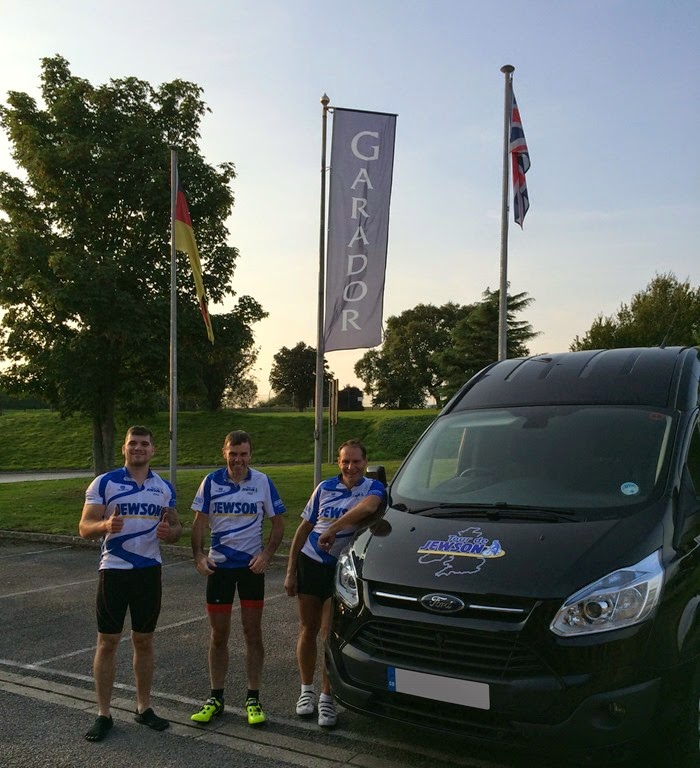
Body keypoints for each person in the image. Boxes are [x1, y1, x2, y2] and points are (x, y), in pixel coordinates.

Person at [79, 425, 182, 742]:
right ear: (124, 448)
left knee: (144, 641)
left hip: (148, 571)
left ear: (153, 450)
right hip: (114, 570)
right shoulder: (105, 482)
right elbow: (85, 527)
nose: (138, 448)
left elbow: (176, 526)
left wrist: (171, 533)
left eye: (144, 444)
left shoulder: (163, 488)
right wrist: (106, 524)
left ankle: (143, 707)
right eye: (133, 443)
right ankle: (103, 714)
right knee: (107, 642)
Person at [285, 439, 385, 728]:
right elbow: (304, 528)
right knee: (308, 627)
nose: (350, 467)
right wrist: (291, 570)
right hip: (311, 561)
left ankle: (327, 697)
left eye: (356, 461)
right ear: (338, 462)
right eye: (345, 461)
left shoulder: (373, 488)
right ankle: (307, 691)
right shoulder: (324, 488)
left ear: (365, 462)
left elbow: (370, 507)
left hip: (341, 567)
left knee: (329, 632)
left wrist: (334, 528)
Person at [190, 430, 286, 727]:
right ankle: (215, 697)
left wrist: (267, 555)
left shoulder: (262, 482)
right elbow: (199, 523)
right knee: (218, 636)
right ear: (225, 453)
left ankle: (253, 698)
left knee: (252, 634)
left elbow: (279, 524)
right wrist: (198, 556)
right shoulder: (211, 481)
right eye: (233, 454)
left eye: (243, 454)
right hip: (219, 569)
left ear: (250, 455)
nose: (238, 460)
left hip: (250, 570)